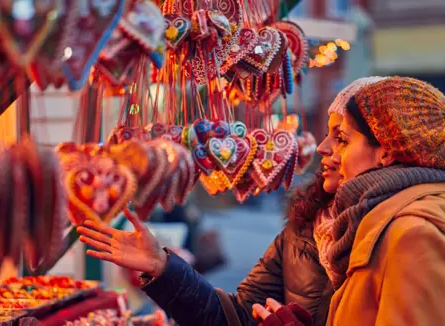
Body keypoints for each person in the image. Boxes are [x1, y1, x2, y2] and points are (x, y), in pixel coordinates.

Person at [76, 77, 387, 326]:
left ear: (387, 150)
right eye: (328, 134)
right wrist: (163, 267)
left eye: (342, 138)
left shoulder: (409, 232)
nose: (322, 148)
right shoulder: (307, 227)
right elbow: (235, 317)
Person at [252, 76, 445, 325]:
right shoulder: (387, 222)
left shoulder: (415, 236)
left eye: (343, 140)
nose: (328, 149)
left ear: (385, 152)